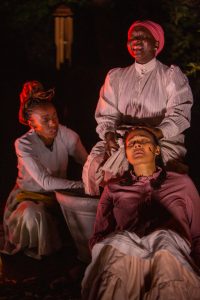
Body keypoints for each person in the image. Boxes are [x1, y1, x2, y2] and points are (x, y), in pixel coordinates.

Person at [82, 127, 200, 300]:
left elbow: (197, 232)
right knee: (118, 243)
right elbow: (100, 235)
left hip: (170, 253)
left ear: (157, 149)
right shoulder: (113, 188)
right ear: (126, 154)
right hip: (125, 254)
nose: (137, 144)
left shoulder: (182, 183)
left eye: (143, 140)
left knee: (164, 240)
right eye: (131, 143)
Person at [82, 20, 193, 196]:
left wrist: (153, 134)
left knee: (163, 177)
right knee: (94, 163)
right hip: (122, 137)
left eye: (142, 37)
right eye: (132, 38)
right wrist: (109, 135)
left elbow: (180, 114)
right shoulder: (116, 76)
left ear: (156, 43)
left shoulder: (170, 75)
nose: (136, 41)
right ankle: (102, 211)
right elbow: (106, 116)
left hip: (162, 138)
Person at [1, 80, 88, 260]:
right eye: (45, 120)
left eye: (55, 117)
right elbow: (45, 182)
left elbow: (87, 162)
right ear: (32, 124)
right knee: (34, 214)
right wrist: (83, 185)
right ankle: (37, 253)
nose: (53, 124)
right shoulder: (23, 144)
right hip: (28, 198)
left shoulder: (66, 134)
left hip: (59, 197)